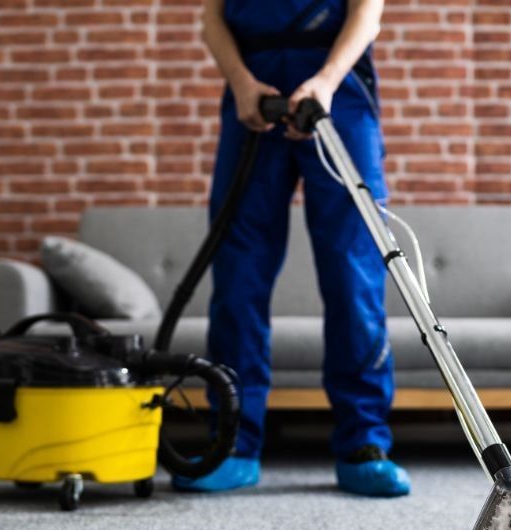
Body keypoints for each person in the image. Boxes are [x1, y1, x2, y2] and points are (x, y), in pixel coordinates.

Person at [173, 0, 410, 497]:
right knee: (238, 274)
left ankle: (363, 444)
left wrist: (325, 81)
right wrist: (239, 81)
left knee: (354, 276)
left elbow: (367, 13)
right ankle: (232, 443)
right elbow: (212, 15)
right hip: (253, 93)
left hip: (337, 92)